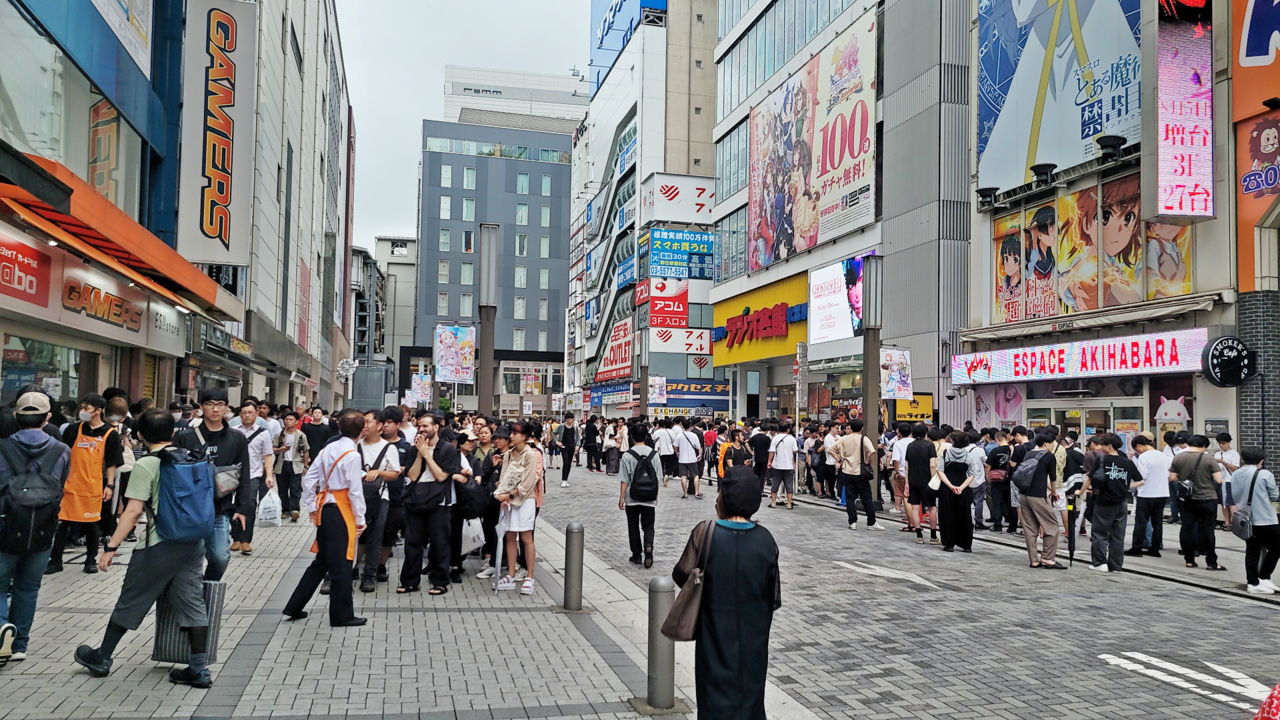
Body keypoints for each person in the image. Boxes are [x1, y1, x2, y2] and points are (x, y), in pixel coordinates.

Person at [72, 409, 215, 685]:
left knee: (131, 599)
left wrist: (111, 546)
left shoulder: (147, 464)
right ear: (173, 433)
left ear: (139, 435)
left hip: (158, 545)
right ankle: (199, 668)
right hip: (193, 542)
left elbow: (133, 511)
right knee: (193, 602)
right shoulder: (193, 459)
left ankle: (102, 657)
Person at [672, 477, 780, 719]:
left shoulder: (705, 532)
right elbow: (772, 594)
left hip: (715, 632)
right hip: (753, 639)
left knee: (713, 701)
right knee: (750, 702)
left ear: (725, 498)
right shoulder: (766, 539)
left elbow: (680, 575)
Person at [0, 392, 70, 668]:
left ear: (17, 416)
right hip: (43, 526)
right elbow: (61, 486)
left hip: (5, 524)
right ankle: (19, 645)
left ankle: (2, 626)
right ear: (48, 418)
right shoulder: (62, 450)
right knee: (29, 587)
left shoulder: (2, 447)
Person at [282, 409, 368, 626]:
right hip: (342, 509)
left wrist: (312, 506)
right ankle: (341, 615)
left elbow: (309, 478)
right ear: (362, 430)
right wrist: (361, 518)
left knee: (322, 561)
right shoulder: (352, 455)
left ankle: (294, 605)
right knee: (342, 563)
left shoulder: (330, 448)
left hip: (326, 507)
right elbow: (355, 490)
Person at [172, 388, 252, 581]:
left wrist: (243, 508)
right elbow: (174, 473)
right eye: (210, 404)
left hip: (220, 508)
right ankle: (195, 599)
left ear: (227, 408)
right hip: (191, 510)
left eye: (220, 404)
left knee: (220, 557)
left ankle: (207, 588)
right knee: (189, 560)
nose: (215, 409)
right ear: (201, 408)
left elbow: (244, 474)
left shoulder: (237, 438)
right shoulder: (186, 437)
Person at [48, 394, 123, 575]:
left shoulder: (110, 434)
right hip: (69, 485)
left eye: (87, 408)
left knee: (92, 525)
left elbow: (112, 463)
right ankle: (56, 561)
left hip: (93, 486)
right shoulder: (73, 430)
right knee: (61, 524)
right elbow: (63, 455)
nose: (82, 411)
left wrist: (110, 486)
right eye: (81, 407)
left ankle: (90, 560)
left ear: (98, 411)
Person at [398, 413, 461, 595]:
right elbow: (412, 475)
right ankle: (410, 581)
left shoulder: (447, 450)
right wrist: (419, 454)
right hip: (415, 499)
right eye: (420, 426)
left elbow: (442, 476)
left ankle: (440, 581)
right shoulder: (413, 449)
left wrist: (428, 455)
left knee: (439, 542)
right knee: (412, 542)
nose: (422, 429)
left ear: (436, 427)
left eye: (426, 426)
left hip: (438, 501)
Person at [1079, 434, 1141, 572]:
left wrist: (1080, 491)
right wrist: (1125, 487)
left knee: (1100, 533)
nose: (1101, 447)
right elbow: (1140, 480)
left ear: (1109, 446)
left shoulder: (1101, 460)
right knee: (1118, 535)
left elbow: (1089, 479)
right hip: (1121, 502)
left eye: (1103, 445)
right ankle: (1116, 565)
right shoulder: (1128, 462)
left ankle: (1100, 563)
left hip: (1103, 500)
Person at [355, 409, 400, 593]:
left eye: (368, 422)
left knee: (375, 537)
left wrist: (379, 473)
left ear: (379, 426)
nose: (364, 426)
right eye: (362, 422)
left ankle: (370, 576)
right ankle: (350, 570)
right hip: (355, 497)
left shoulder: (389, 448)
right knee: (353, 536)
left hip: (379, 498)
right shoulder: (355, 444)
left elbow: (395, 473)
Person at [493, 421, 540, 595]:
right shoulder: (509, 455)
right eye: (511, 433)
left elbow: (527, 484)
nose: (511, 436)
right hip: (508, 500)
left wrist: (509, 496)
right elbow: (503, 477)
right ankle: (511, 574)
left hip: (525, 500)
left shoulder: (531, 454)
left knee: (526, 536)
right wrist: (502, 495)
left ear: (525, 436)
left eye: (515, 433)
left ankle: (529, 576)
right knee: (510, 535)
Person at [1170, 434, 1226, 570]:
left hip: (1188, 500)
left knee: (1187, 528)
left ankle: (1189, 560)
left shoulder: (1178, 457)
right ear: (1204, 446)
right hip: (1207, 499)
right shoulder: (1209, 459)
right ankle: (1211, 562)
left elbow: (1172, 478)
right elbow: (1219, 480)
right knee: (1207, 531)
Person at [1232, 448, 1280, 594]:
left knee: (1252, 550)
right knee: (1277, 547)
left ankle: (1253, 582)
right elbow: (1274, 495)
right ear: (1261, 460)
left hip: (1246, 519)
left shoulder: (1235, 474)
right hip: (1265, 518)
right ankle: (1264, 577)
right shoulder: (1264, 474)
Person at [230, 402, 275, 556]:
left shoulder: (263, 433)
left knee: (249, 504)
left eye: (250, 412)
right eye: (244, 413)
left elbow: (268, 455)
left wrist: (269, 475)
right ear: (239, 415)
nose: (247, 415)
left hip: (253, 474)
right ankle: (235, 537)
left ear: (256, 413)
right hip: (233, 474)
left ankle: (246, 540)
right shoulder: (233, 431)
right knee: (233, 504)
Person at [377, 408, 415, 584]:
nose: (385, 426)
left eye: (389, 422)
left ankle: (381, 565)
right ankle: (360, 565)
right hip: (372, 495)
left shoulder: (405, 447)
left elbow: (410, 471)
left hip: (395, 496)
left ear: (398, 424)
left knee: (388, 533)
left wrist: (394, 470)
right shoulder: (373, 443)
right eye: (383, 422)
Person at [1020, 433, 1066, 570]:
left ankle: (1034, 560)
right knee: (1051, 525)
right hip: (1038, 495)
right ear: (1045, 443)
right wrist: (1053, 492)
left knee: (1030, 528)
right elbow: (1052, 477)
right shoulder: (1048, 456)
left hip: (1023, 495)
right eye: (1052, 443)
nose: (1053, 446)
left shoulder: (1028, 454)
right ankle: (1048, 558)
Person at [619, 424, 662, 568]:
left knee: (633, 526)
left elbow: (624, 479)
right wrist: (656, 496)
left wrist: (621, 498)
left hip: (632, 497)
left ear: (631, 437)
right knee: (648, 526)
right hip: (649, 496)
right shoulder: (654, 455)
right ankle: (648, 547)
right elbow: (657, 479)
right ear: (646, 436)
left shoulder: (627, 455)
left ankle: (636, 555)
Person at [832, 419, 881, 529]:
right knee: (866, 498)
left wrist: (840, 459)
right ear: (862, 428)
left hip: (846, 471)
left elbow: (831, 449)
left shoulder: (844, 439)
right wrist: (868, 462)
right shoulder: (864, 439)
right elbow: (872, 451)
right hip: (860, 472)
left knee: (850, 498)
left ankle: (852, 522)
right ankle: (871, 522)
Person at [1127, 433, 1170, 557]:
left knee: (1141, 522)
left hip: (1146, 494)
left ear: (1139, 445)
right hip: (1162, 493)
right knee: (1157, 523)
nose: (1138, 452)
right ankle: (1155, 548)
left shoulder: (1144, 457)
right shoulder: (1163, 456)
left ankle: (1137, 547)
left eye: (1137, 449)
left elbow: (1141, 476)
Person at [475, 424, 509, 579]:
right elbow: (484, 477)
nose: (497, 442)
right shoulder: (491, 456)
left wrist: (502, 467)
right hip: (491, 499)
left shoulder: (512, 456)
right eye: (496, 439)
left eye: (501, 439)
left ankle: (504, 561)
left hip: (507, 500)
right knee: (490, 530)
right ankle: (491, 561)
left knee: (506, 532)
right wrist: (493, 466)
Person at [938, 431, 980, 552]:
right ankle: (966, 544)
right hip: (963, 487)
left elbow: (940, 470)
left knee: (947, 514)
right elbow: (972, 474)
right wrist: (961, 487)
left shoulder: (946, 453)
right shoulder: (969, 455)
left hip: (947, 487)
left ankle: (949, 543)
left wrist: (950, 485)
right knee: (964, 515)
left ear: (953, 441)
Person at [904, 423, 939, 545]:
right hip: (927, 481)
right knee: (932, 507)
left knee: (915, 507)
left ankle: (919, 535)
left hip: (913, 480)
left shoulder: (910, 446)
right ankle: (933, 536)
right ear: (926, 433)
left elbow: (907, 467)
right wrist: (933, 479)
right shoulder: (930, 446)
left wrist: (907, 483)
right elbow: (932, 464)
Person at [273, 412, 310, 522]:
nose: (287, 421)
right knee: (282, 489)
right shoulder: (279, 435)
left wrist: (306, 466)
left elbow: (306, 450)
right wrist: (281, 450)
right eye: (286, 419)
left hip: (296, 464)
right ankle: (285, 510)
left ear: (296, 422)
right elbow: (272, 449)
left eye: (290, 420)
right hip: (282, 464)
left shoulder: (301, 435)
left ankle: (294, 510)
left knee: (295, 488)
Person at [767, 422, 799, 510]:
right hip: (788, 465)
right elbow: (795, 451)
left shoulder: (775, 438)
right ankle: (789, 503)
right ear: (788, 429)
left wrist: (769, 461)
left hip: (777, 465)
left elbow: (771, 451)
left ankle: (773, 503)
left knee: (775, 484)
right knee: (789, 485)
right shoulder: (792, 439)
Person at [1215, 432, 1241, 529]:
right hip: (1221, 481)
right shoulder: (1217, 453)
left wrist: (1223, 462)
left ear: (1229, 442)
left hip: (1230, 481)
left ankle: (1235, 524)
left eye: (1223, 443)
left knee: (1231, 503)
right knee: (1223, 503)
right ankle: (1227, 523)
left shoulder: (1234, 454)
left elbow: (1235, 468)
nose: (1221, 445)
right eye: (1219, 443)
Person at [673, 418, 704, 499]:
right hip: (692, 458)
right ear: (690, 426)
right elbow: (698, 446)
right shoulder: (694, 435)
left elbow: (675, 446)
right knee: (695, 475)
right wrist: (699, 456)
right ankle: (696, 492)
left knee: (683, 476)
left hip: (682, 459)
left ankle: (685, 493)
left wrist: (677, 453)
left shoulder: (679, 435)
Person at [966, 430, 989, 530]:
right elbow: (986, 462)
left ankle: (966, 521)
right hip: (979, 479)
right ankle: (978, 522)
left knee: (966, 503)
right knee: (979, 502)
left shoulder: (963, 450)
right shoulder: (980, 450)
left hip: (966, 481)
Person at [750, 420, 774, 489]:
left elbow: (747, 444)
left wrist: (751, 451)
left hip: (757, 458)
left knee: (756, 473)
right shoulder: (767, 438)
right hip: (765, 459)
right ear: (767, 430)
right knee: (763, 475)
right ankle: (760, 490)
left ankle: (754, 488)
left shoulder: (755, 437)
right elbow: (770, 449)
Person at [555, 413, 577, 488]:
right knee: (566, 462)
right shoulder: (561, 426)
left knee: (569, 464)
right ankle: (563, 480)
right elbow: (553, 433)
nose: (571, 420)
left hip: (571, 447)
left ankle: (566, 479)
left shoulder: (575, 427)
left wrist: (577, 445)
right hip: (564, 447)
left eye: (572, 418)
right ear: (566, 419)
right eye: (570, 418)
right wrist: (557, 441)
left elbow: (577, 437)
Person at [653, 418, 676, 487]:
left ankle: (662, 476)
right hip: (670, 451)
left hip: (661, 451)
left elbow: (654, 439)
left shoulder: (660, 432)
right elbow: (674, 441)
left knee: (662, 464)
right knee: (669, 465)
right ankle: (667, 475)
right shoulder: (672, 432)